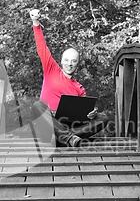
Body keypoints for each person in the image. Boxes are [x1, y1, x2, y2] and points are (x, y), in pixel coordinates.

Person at [29, 9, 108, 147]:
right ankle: (68, 137)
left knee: (103, 118)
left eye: (73, 61)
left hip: (67, 124)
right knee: (37, 106)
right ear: (61, 60)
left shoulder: (80, 88)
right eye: (66, 60)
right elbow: (41, 47)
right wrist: (36, 22)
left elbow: (83, 116)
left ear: (77, 63)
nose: (69, 64)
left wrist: (91, 113)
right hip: (47, 125)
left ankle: (63, 137)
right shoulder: (51, 69)